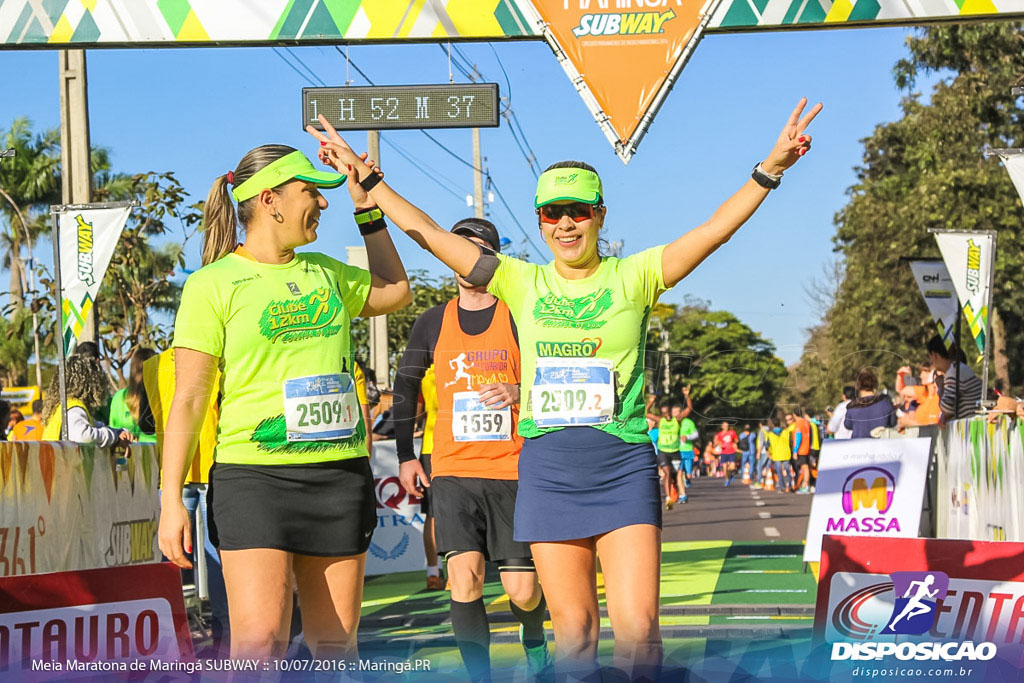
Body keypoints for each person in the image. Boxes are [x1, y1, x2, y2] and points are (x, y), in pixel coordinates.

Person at [309, 97, 821, 679]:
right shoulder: (516, 281)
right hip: (548, 472)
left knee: (639, 633)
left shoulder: (637, 274)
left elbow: (713, 232)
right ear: (540, 222)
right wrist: (368, 178)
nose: (566, 223)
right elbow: (425, 231)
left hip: (621, 466)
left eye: (578, 210)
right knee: (574, 635)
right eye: (552, 213)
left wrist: (770, 168)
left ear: (601, 215)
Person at [158, 143, 411, 661]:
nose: (322, 203)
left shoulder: (326, 272)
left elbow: (396, 290)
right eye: (310, 192)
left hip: (339, 475)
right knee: (260, 643)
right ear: (270, 199)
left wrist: (368, 210)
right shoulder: (211, 285)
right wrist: (169, 502)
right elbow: (188, 400)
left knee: (336, 646)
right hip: (254, 479)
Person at [394, 217, 552, 681]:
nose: (464, 257)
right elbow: (405, 388)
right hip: (453, 470)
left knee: (523, 590)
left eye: (476, 248)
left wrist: (518, 390)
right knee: (464, 580)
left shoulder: (519, 313)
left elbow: (556, 372)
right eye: (456, 247)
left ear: (493, 256)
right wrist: (406, 454)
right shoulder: (432, 321)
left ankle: (536, 640)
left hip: (515, 469)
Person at [41, 354, 132, 446]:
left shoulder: (63, 408)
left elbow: (96, 426)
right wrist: (114, 437)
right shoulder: (74, 409)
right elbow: (83, 436)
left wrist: (118, 432)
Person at [925, 336, 981, 424]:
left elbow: (946, 409)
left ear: (935, 355)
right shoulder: (958, 368)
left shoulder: (954, 373)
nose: (930, 360)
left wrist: (941, 388)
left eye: (930, 356)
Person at [109, 347, 158, 443]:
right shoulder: (160, 397)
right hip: (155, 454)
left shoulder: (119, 397)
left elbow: (113, 431)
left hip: (125, 454)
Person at [844, 368, 897, 438]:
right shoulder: (885, 403)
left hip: (858, 446)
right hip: (881, 446)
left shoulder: (852, 407)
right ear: (875, 384)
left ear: (858, 386)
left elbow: (848, 425)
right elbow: (893, 423)